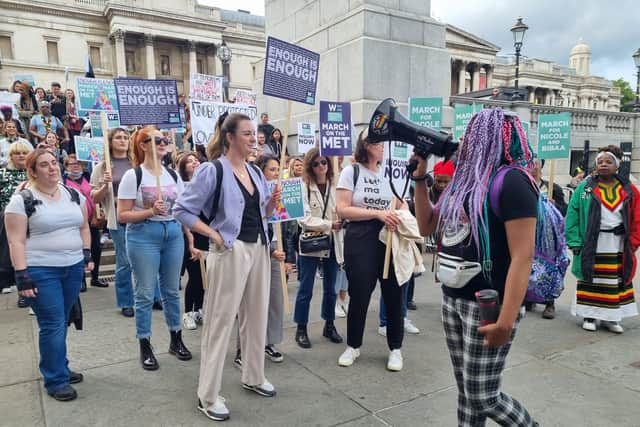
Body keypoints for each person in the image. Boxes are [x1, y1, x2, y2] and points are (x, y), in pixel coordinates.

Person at [412, 108, 539, 426]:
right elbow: (427, 225)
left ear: (493, 139)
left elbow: (523, 257)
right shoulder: (463, 182)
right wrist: (419, 178)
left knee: (484, 395)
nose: (464, 139)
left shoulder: (512, 183)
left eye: (472, 134)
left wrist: (505, 321)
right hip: (454, 297)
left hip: (490, 305)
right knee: (467, 392)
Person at [174, 113, 282, 422]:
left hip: (259, 247)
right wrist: (212, 235)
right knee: (220, 322)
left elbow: (262, 213)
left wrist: (272, 203)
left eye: (254, 134)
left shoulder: (255, 172)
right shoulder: (212, 171)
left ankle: (253, 375)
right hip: (229, 250)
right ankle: (207, 395)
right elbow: (182, 209)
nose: (253, 139)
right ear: (229, 137)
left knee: (256, 317)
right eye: (247, 134)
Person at [5, 148, 93, 402]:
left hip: (73, 267)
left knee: (61, 320)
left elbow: (84, 226)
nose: (52, 168)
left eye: (54, 163)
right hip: (41, 270)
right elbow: (16, 241)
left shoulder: (72, 194)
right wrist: (22, 275)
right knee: (53, 323)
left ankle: (59, 366)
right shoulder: (21, 200)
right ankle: (55, 379)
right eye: (44, 165)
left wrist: (86, 252)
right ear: (32, 171)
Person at [117, 126, 191, 370]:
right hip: (143, 235)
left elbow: (180, 210)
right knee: (145, 292)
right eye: (157, 139)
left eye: (165, 139)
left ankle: (175, 337)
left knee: (171, 290)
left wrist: (188, 236)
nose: (163, 142)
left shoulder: (172, 175)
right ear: (143, 145)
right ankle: (145, 343)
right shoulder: (133, 176)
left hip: (172, 233)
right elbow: (123, 215)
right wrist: (150, 211)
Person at [335, 129, 406, 371]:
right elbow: (342, 209)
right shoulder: (351, 171)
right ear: (365, 145)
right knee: (360, 294)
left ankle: (395, 349)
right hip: (361, 238)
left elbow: (402, 204)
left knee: (394, 295)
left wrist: (399, 214)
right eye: (378, 142)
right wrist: (377, 213)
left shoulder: (390, 175)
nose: (383, 147)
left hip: (389, 239)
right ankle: (353, 345)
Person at [566, 145, 640, 333]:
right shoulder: (586, 187)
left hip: (618, 243)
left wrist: (633, 240)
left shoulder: (629, 189)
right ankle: (589, 315)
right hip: (593, 242)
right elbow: (572, 214)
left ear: (617, 165)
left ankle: (612, 317)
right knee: (592, 278)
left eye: (608, 162)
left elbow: (638, 217)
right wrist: (574, 241)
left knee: (614, 280)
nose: (604, 165)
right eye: (600, 162)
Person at [234, 154, 287, 366]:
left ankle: (269, 342)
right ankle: (242, 348)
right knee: (248, 302)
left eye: (278, 170)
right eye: (272, 170)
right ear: (260, 172)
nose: (276, 174)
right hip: (254, 245)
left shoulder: (280, 190)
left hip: (274, 244)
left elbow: (282, 222)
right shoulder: (251, 190)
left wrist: (285, 253)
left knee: (275, 299)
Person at [293, 148, 344, 348]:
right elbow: (303, 219)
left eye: (324, 162)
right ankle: (301, 328)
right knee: (305, 288)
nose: (321, 166)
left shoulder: (336, 184)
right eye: (316, 163)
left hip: (333, 242)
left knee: (331, 288)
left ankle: (329, 324)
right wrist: (329, 224)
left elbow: (341, 209)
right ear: (309, 166)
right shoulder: (303, 186)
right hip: (312, 241)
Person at [91, 127, 136, 317]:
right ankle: (126, 301)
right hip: (117, 219)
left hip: (140, 217)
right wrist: (104, 185)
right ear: (110, 142)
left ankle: (154, 296)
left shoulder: (137, 163)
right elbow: (94, 197)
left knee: (147, 259)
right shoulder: (102, 167)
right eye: (118, 137)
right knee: (125, 261)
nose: (123, 140)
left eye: (126, 137)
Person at [63, 154, 107, 290]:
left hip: (90, 220)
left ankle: (95, 277)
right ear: (66, 167)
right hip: (74, 223)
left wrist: (95, 215)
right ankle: (81, 280)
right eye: (72, 164)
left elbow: (94, 198)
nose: (76, 166)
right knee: (79, 250)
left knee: (95, 249)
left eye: (78, 163)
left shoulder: (88, 178)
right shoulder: (62, 182)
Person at [176, 152, 206, 330]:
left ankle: (199, 309)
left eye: (196, 160)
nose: (194, 163)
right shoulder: (183, 187)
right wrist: (191, 240)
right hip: (189, 235)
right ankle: (188, 312)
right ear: (183, 167)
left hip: (204, 234)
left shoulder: (205, 184)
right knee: (194, 276)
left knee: (204, 277)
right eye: (189, 161)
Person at [0, 141, 32, 299]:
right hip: (8, 218)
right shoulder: (2, 173)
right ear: (11, 156)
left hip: (31, 218)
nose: (21, 156)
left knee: (28, 255)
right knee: (12, 254)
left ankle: (26, 292)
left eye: (24, 153)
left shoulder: (32, 172)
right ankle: (16, 287)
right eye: (17, 153)